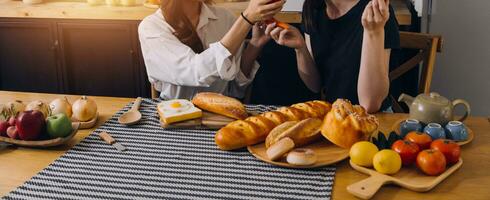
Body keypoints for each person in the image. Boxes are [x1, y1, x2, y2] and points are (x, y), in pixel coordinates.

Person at [265, 0, 400, 113]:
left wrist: (373, 32)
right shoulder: (313, 8)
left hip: (375, 120)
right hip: (336, 117)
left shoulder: (375, 12)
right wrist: (300, 49)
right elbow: (315, 85)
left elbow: (370, 104)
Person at [139, 0, 284, 100]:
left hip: (220, 117)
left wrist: (255, 44)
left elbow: (235, 87)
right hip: (175, 118)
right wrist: (246, 19)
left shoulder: (225, 17)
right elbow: (197, 72)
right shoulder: (152, 27)